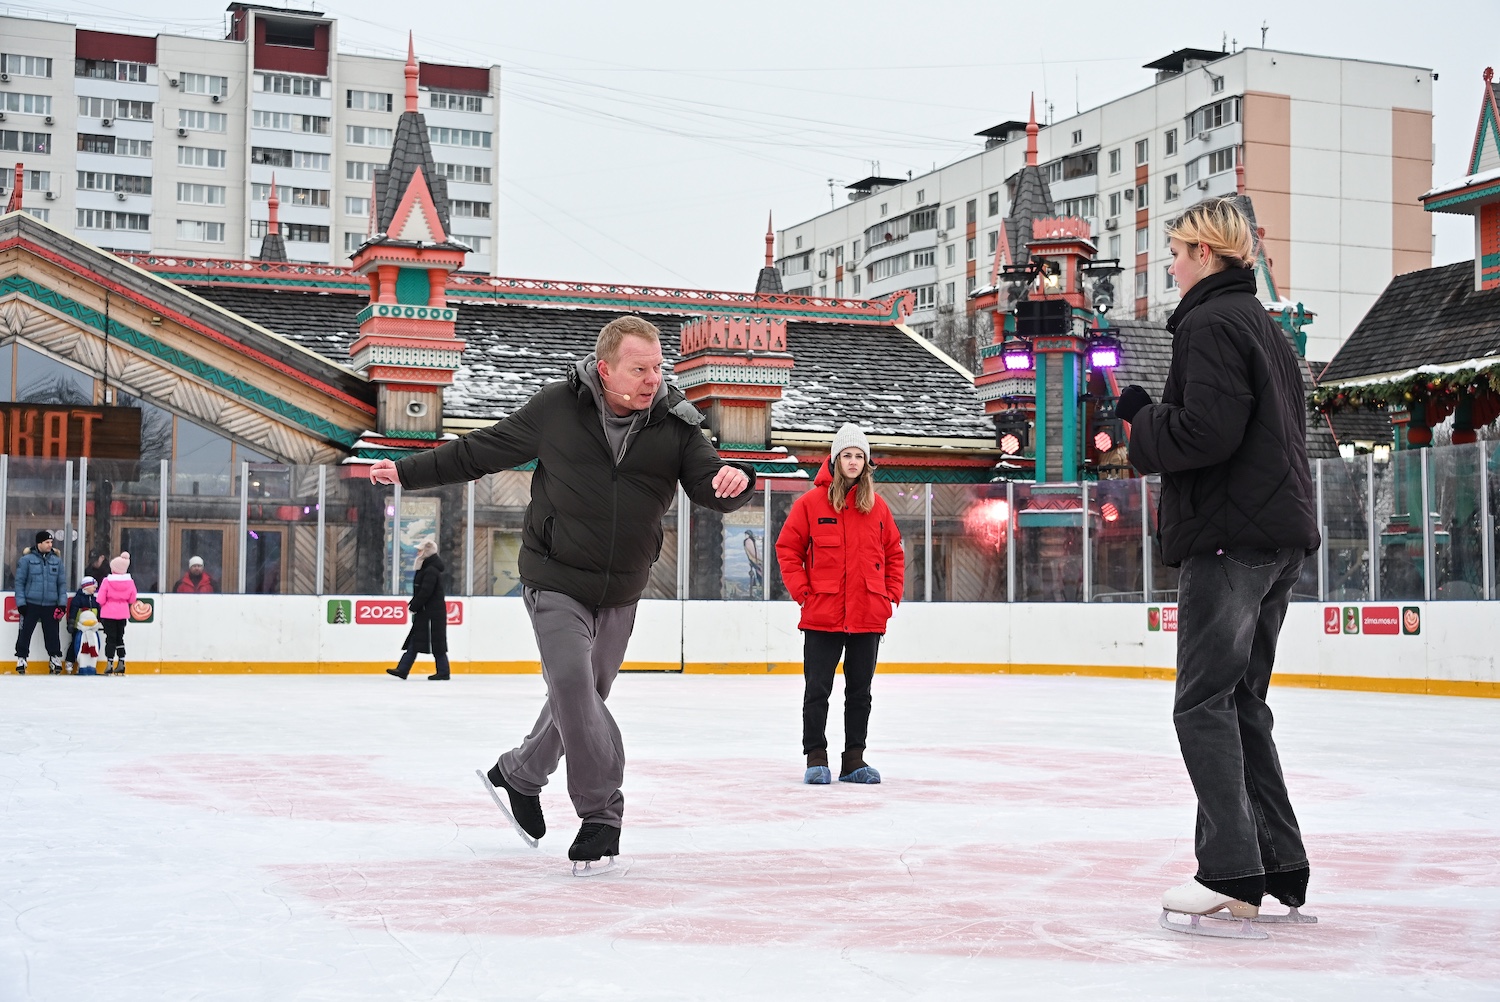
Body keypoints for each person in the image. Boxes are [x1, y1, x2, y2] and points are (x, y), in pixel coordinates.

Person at [369, 314, 753, 869]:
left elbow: (710, 482)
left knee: (584, 695)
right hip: (555, 578)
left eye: (658, 367)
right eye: (640, 369)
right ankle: (601, 814)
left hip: (621, 588)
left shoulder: (675, 422)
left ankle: (520, 773)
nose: (654, 379)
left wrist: (735, 482)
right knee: (573, 683)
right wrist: (406, 473)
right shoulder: (557, 408)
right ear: (605, 369)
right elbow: (481, 450)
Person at [1115, 197, 1320, 931]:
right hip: (1277, 536)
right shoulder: (1262, 324)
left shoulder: (1208, 323)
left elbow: (1208, 433)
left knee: (1204, 703)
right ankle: (1278, 865)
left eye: (1176, 252)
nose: (1170, 265)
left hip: (1232, 537)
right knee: (1242, 703)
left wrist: (1138, 422)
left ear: (1205, 253)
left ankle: (1231, 871)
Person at [775, 423, 905, 786]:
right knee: (817, 690)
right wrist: (804, 593)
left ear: (866, 463)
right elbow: (788, 550)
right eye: (846, 455)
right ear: (834, 460)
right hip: (822, 614)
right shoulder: (810, 504)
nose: (853, 461)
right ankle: (816, 757)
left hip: (868, 614)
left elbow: (894, 554)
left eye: (859, 456)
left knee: (860, 692)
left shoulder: (878, 507)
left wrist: (890, 596)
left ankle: (854, 760)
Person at [387, 540, 451, 681]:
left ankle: (443, 671)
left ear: (427, 552)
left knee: (436, 642)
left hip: (432, 614)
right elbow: (422, 591)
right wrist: (415, 604)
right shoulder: (426, 568)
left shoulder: (431, 570)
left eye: (420, 550)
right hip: (426, 612)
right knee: (415, 640)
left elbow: (426, 592)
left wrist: (414, 605)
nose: (417, 553)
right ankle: (403, 669)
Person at [13, 530, 67, 675]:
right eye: (47, 542)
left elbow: (61, 584)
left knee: (52, 633)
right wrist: (21, 603)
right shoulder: (26, 560)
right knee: (25, 632)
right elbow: (19, 583)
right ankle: (21, 658)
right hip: (31, 603)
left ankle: (54, 657)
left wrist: (62, 604)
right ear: (39, 543)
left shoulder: (56, 561)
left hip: (50, 604)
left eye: (51, 542)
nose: (50, 545)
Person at [96, 552, 138, 676]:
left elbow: (100, 599)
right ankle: (121, 662)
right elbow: (132, 599)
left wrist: (105, 604)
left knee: (110, 638)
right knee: (120, 637)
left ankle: (109, 663)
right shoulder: (130, 582)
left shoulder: (107, 581)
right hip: (123, 613)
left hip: (108, 613)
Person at [63, 576, 101, 674]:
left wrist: (101, 622)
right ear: (86, 587)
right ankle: (70, 660)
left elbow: (99, 612)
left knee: (91, 645)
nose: (95, 588)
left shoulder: (95, 600)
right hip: (79, 628)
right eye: (93, 586)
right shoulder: (78, 599)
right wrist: (71, 623)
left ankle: (84, 664)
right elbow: (73, 612)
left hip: (92, 629)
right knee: (75, 644)